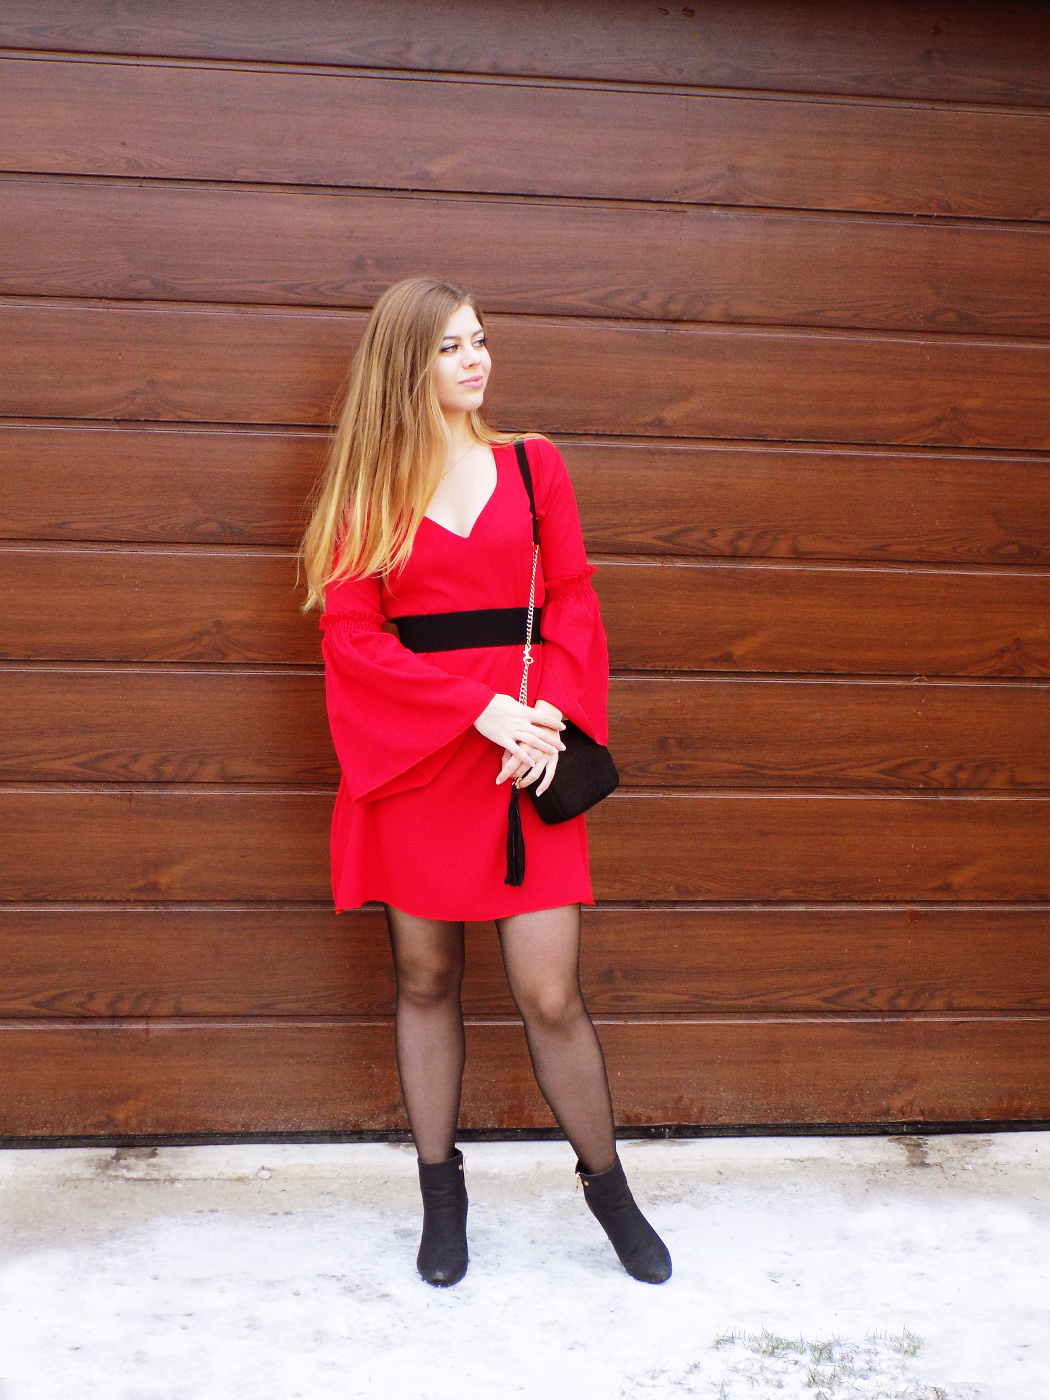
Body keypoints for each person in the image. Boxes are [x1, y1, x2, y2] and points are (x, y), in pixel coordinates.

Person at [301, 276, 671, 1287]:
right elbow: (352, 637)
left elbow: (574, 601)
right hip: (421, 758)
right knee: (425, 979)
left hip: (526, 759)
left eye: (480, 340)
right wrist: (477, 708)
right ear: (406, 364)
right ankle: (441, 1196)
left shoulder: (534, 463)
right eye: (451, 346)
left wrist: (550, 718)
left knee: (550, 991)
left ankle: (610, 1192)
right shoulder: (368, 490)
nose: (476, 360)